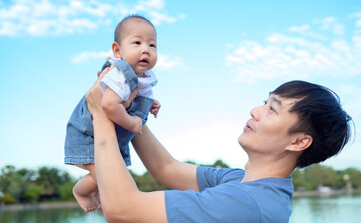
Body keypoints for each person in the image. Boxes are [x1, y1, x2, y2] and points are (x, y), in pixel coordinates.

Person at [86, 75, 353, 222]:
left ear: (298, 142)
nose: (255, 110)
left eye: (272, 109)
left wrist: (101, 113)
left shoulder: (246, 204)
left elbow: (122, 209)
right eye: (265, 101)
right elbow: (167, 169)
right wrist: (130, 111)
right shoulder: (242, 182)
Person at [64, 15, 161, 212]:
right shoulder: (119, 73)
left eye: (152, 45)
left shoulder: (145, 76)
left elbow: (137, 97)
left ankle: (94, 190)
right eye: (137, 42)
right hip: (88, 133)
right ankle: (80, 192)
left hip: (110, 137)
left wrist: (150, 104)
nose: (146, 49)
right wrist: (132, 123)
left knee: (112, 175)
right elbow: (108, 105)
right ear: (118, 50)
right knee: (105, 177)